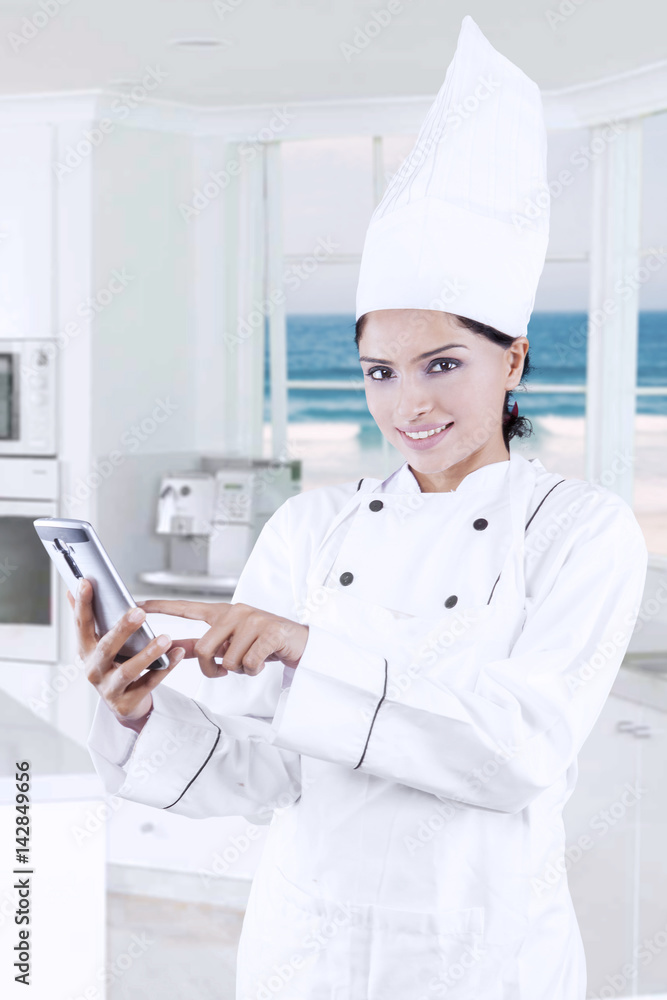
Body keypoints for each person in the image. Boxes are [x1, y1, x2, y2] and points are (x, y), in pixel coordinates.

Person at [75, 16, 648, 1000]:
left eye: (442, 364)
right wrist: (138, 713)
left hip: (477, 951)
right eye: (379, 371)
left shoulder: (579, 531)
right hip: (308, 946)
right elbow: (259, 767)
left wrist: (306, 646)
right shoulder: (311, 528)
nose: (408, 403)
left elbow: (513, 751)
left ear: (511, 359)